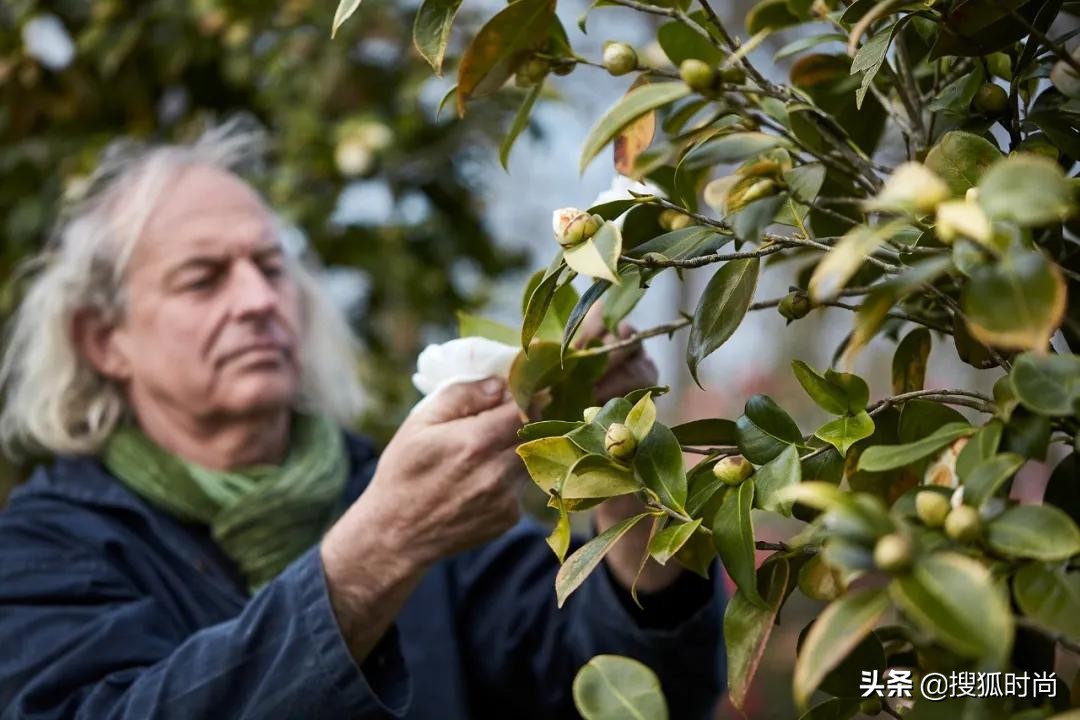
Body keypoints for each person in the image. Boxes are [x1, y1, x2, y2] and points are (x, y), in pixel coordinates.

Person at [0, 123, 727, 719]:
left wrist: (626, 481)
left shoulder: (403, 495)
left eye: (271, 265)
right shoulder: (49, 546)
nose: (258, 298)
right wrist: (379, 548)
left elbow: (622, 688)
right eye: (203, 278)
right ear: (104, 340)